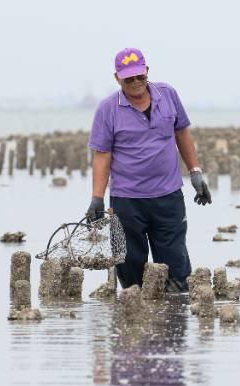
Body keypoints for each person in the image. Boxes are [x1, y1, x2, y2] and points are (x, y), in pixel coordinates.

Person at [86, 47, 211, 291]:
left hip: (168, 196)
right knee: (131, 272)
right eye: (128, 78)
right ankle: (135, 322)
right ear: (117, 78)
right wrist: (97, 198)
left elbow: (182, 133)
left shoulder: (168, 94)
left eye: (139, 77)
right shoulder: (107, 109)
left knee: (176, 270)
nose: (135, 83)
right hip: (127, 200)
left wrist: (195, 171)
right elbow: (102, 156)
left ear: (147, 72)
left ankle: (174, 321)